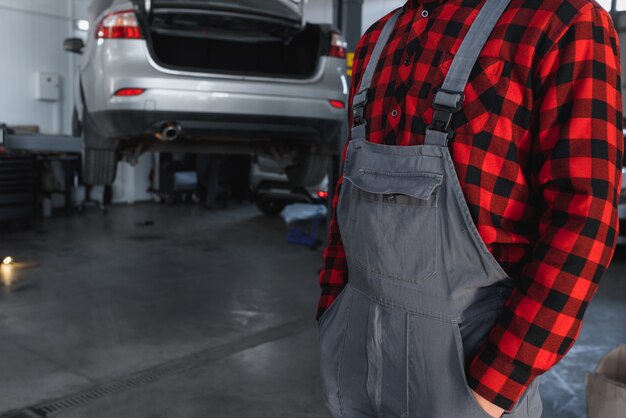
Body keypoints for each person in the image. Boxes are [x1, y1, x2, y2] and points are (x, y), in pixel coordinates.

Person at [316, 0, 623, 417]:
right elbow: (350, 190)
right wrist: (331, 310)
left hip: (467, 377)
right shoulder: (377, 39)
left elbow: (585, 217)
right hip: (352, 360)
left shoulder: (559, 21)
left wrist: (496, 384)